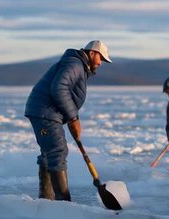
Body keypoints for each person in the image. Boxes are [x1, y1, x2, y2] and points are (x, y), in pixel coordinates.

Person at [24, 40, 112, 201]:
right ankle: (63, 202)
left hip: (46, 111)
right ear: (92, 53)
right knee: (58, 151)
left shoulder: (77, 65)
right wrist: (73, 117)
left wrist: (71, 117)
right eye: (101, 59)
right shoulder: (75, 65)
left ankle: (46, 199)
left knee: (49, 152)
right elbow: (59, 87)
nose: (101, 63)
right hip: (45, 112)